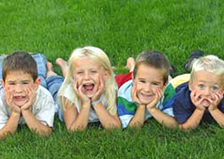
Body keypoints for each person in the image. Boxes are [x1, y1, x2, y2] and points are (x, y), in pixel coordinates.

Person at [50, 46, 121, 131]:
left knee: (77, 79)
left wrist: (96, 102)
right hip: (61, 101)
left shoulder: (110, 89)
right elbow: (74, 131)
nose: (87, 77)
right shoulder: (67, 94)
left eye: (93, 71)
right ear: (73, 76)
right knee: (55, 84)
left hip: (77, 80)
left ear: (106, 74)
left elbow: (115, 128)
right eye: (80, 72)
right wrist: (86, 103)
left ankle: (66, 68)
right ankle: (52, 70)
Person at [0, 51, 55, 138]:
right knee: (5, 71)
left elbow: (45, 133)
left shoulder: (44, 97)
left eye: (25, 83)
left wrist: (26, 110)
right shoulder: (1, 100)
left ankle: (46, 66)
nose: (18, 90)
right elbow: (2, 135)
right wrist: (15, 112)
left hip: (39, 88)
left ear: (36, 84)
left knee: (52, 84)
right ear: (3, 85)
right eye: (12, 83)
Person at [117, 50, 177, 129]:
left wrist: (152, 109)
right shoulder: (125, 94)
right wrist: (141, 106)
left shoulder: (168, 90)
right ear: (133, 80)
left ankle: (133, 67)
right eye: (142, 81)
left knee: (143, 74)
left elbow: (174, 125)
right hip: (122, 80)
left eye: (155, 83)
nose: (147, 89)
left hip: (139, 77)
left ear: (164, 85)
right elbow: (132, 128)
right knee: (133, 71)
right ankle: (131, 63)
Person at [173, 55, 224, 130]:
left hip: (197, 80)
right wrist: (199, 110)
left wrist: (214, 109)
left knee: (199, 77)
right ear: (190, 86)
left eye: (214, 88)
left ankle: (193, 61)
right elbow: (185, 128)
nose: (207, 93)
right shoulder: (182, 98)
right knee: (169, 80)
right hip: (180, 81)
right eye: (201, 86)